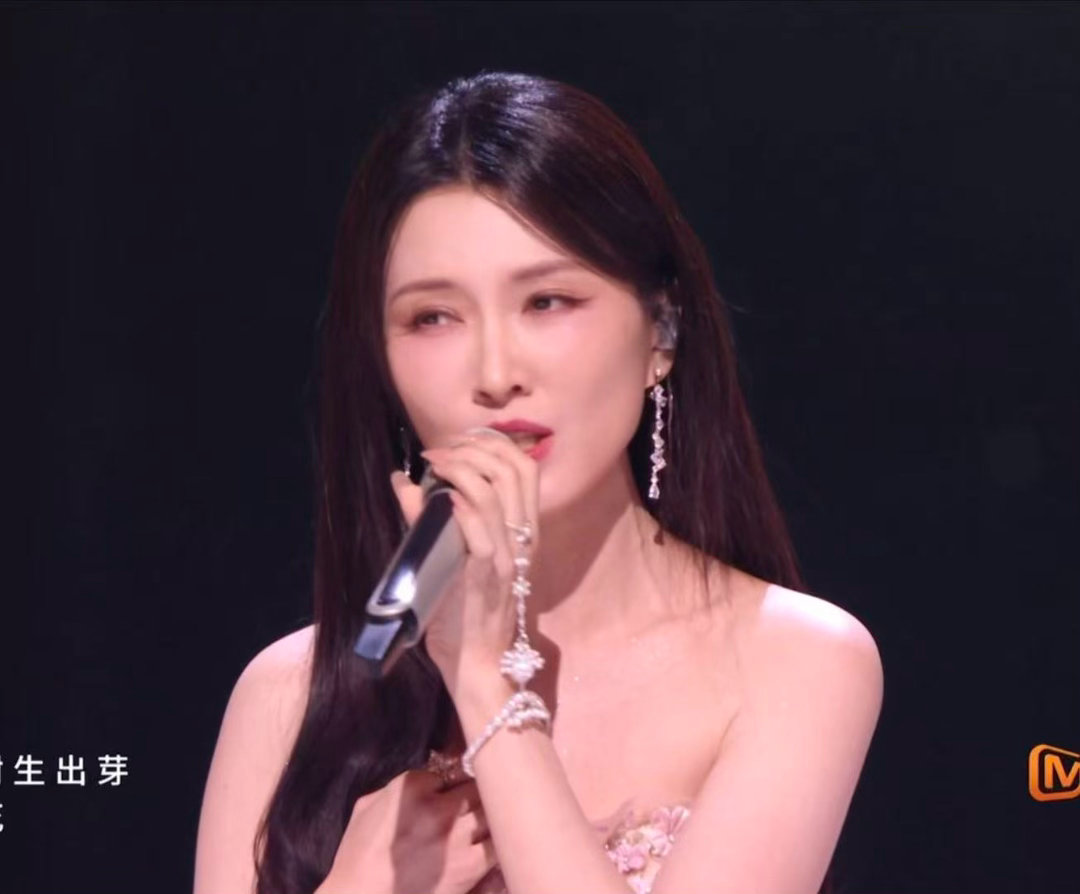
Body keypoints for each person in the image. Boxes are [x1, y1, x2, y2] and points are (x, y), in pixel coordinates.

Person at [193, 71, 884, 894]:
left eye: (548, 301)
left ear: (661, 331)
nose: (495, 374)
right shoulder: (288, 694)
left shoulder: (794, 661)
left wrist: (486, 683)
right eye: (433, 318)